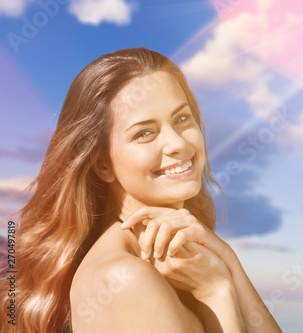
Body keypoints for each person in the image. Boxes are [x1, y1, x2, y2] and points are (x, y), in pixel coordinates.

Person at [0, 48, 282, 332]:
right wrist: (217, 291)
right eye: (144, 133)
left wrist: (227, 260)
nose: (177, 143)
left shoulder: (183, 257)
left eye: (182, 118)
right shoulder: (124, 278)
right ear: (102, 165)